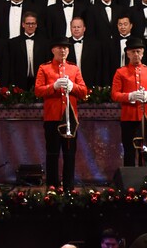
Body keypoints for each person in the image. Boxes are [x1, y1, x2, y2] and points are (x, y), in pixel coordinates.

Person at [34, 37, 88, 192]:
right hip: (52, 117)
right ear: (53, 50)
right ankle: (52, 187)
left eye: (65, 48)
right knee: (52, 153)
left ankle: (69, 187)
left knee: (69, 153)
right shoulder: (44, 68)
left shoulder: (74, 68)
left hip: (70, 118)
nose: (63, 50)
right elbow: (38, 91)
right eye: (59, 48)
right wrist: (54, 86)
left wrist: (73, 86)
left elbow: (83, 91)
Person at [111, 35, 147, 166]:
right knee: (129, 152)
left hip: (146, 119)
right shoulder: (120, 72)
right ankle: (129, 178)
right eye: (133, 51)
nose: (136, 54)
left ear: (143, 53)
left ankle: (145, 177)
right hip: (128, 118)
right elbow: (115, 95)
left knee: (145, 153)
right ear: (128, 53)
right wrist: (130, 96)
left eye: (138, 51)